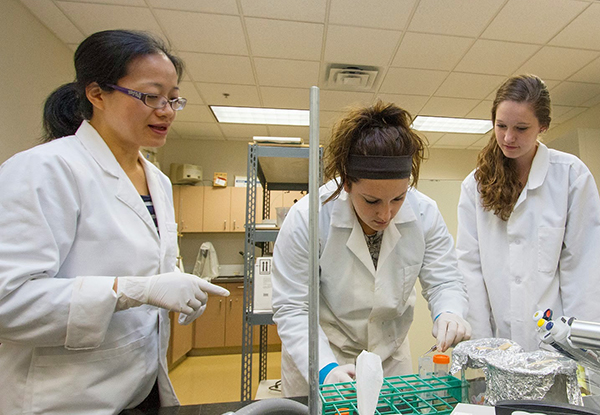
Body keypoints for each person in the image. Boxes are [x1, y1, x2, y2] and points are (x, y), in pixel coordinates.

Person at [0, 30, 230, 414]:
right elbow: (9, 303)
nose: (167, 110)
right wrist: (136, 290)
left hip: (139, 390)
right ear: (96, 94)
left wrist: (175, 286)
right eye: (150, 96)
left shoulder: (155, 179)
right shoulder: (45, 169)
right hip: (66, 400)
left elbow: (147, 264)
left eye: (173, 98)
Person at [271, 101, 471, 396]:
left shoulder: (425, 214)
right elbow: (292, 306)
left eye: (398, 198)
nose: (386, 214)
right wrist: (325, 369)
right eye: (372, 201)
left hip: (388, 359)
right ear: (347, 184)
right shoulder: (309, 218)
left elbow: (445, 280)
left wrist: (450, 312)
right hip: (325, 355)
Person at [456, 74, 600, 351]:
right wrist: (483, 347)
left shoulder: (571, 176)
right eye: (501, 126)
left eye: (521, 128)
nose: (508, 137)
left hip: (556, 344)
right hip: (499, 346)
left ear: (542, 126)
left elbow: (584, 270)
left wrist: (580, 351)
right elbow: (470, 270)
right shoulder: (475, 185)